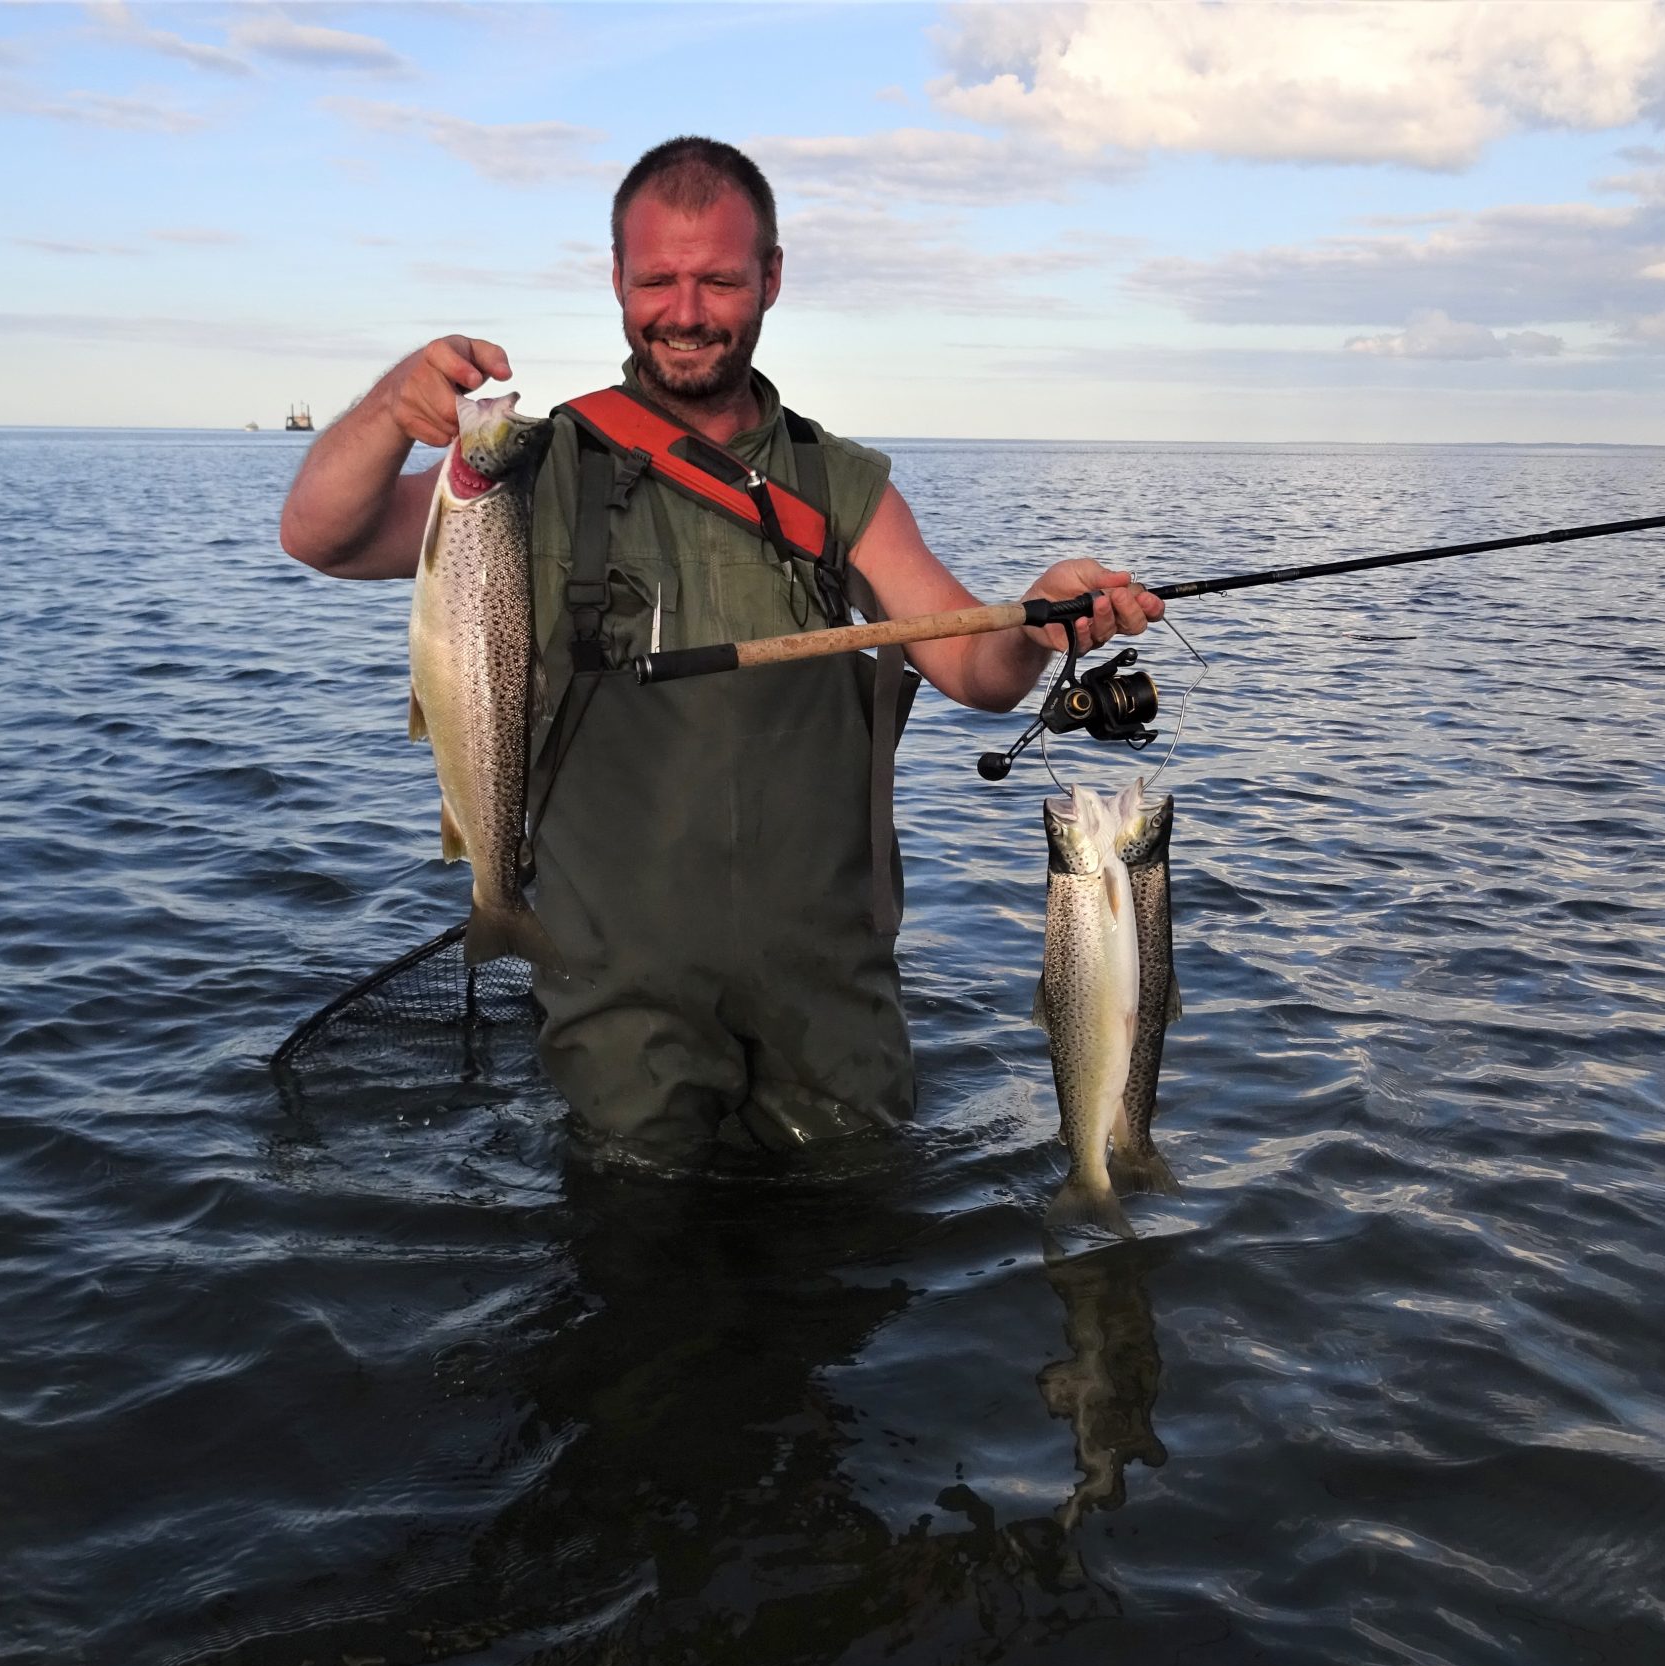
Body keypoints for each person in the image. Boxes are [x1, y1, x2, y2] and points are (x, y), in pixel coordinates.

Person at [280, 136, 1162, 1159]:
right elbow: (320, 535)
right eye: (657, 278)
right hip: (620, 1010)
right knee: (643, 1270)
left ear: (770, 279)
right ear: (616, 279)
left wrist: (1038, 619)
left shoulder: (842, 486)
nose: (685, 310)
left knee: (848, 1267)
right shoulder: (529, 474)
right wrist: (394, 408)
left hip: (830, 1006)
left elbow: (975, 667)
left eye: (719, 279)